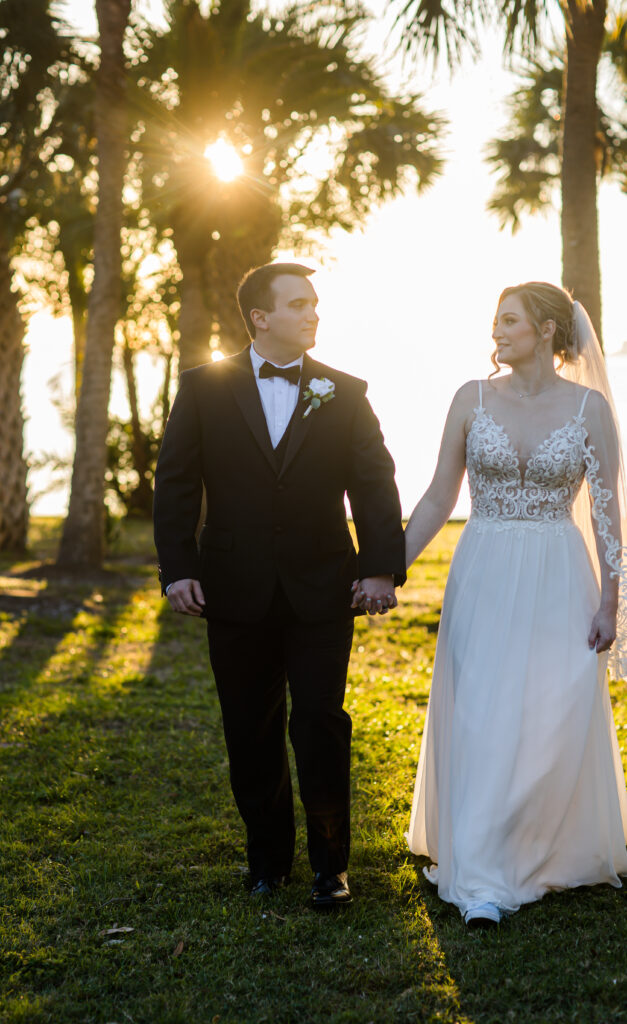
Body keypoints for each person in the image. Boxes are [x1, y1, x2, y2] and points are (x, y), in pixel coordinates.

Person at [153, 262, 406, 907]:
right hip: (232, 587)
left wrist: (378, 565)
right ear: (260, 317)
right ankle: (267, 861)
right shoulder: (202, 388)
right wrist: (178, 568)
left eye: (315, 303)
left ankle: (330, 868)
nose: (312, 313)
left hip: (324, 586)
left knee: (321, 722)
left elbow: (376, 483)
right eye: (298, 304)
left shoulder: (344, 393)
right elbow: (177, 484)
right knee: (249, 727)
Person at [404, 282, 627, 927]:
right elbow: (437, 497)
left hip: (561, 573)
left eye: (510, 320)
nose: (496, 331)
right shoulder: (470, 399)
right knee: (482, 710)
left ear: (549, 330)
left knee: (551, 711)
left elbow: (609, 514)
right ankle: (481, 876)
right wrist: (386, 567)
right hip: (485, 568)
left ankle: (541, 846)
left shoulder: (589, 409)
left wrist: (611, 602)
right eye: (496, 320)